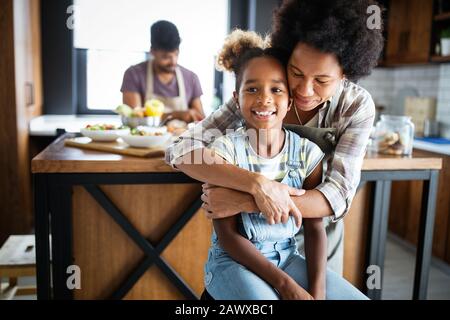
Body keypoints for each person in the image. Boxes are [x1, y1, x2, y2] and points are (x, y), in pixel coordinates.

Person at [166, 0, 384, 276]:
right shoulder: (265, 93)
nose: (304, 90)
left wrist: (246, 200)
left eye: (322, 80)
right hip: (252, 241)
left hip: (317, 234)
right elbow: (182, 148)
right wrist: (256, 184)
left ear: (345, 73)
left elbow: (338, 195)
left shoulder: (355, 106)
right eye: (296, 73)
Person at [204, 30, 367, 300]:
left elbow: (316, 227)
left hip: (288, 256)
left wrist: (316, 295)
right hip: (232, 262)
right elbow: (228, 238)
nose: (264, 99)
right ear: (237, 98)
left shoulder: (307, 153)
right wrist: (285, 285)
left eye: (276, 90)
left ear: (288, 100)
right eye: (252, 89)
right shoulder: (225, 151)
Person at [121, 20, 205, 123]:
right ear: (152, 52)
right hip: (147, 138)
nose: (173, 61)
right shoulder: (134, 74)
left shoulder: (191, 78)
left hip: (183, 138)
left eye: (176, 54)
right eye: (166, 57)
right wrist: (176, 115)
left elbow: (201, 120)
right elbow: (135, 119)